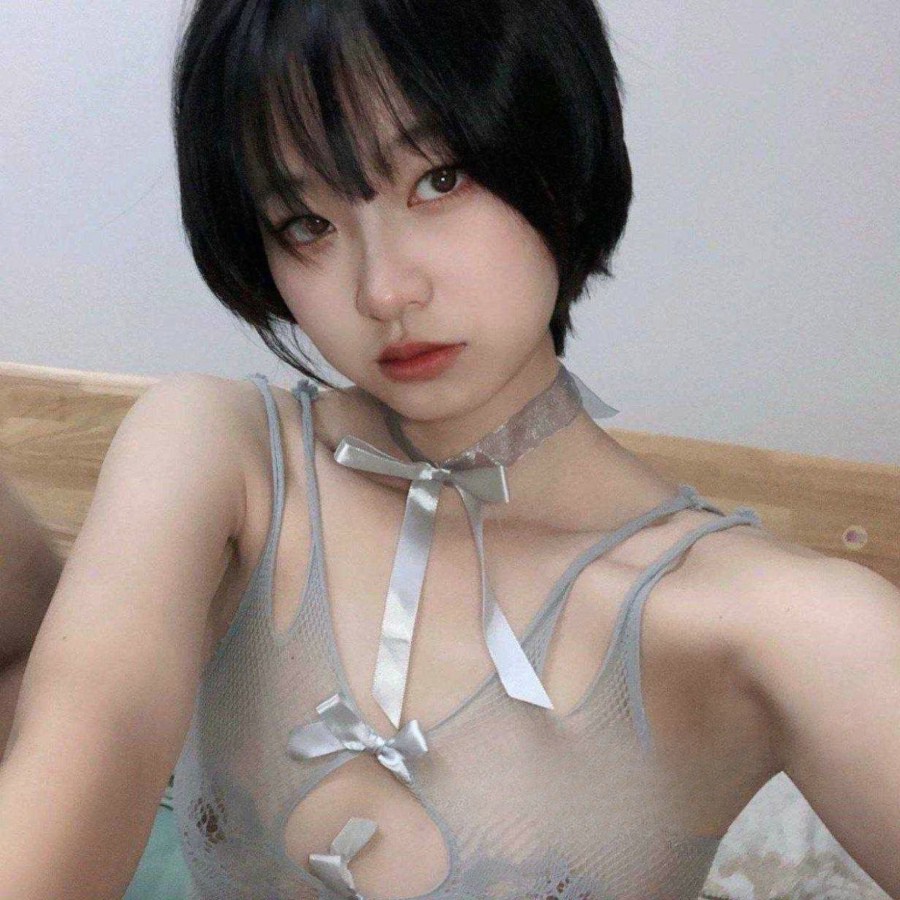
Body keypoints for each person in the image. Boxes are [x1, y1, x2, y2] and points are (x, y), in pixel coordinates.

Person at [1, 0, 898, 897]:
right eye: (305, 223)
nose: (383, 290)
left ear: (560, 144)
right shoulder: (219, 454)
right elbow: (86, 749)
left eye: (440, 179)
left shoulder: (783, 623)